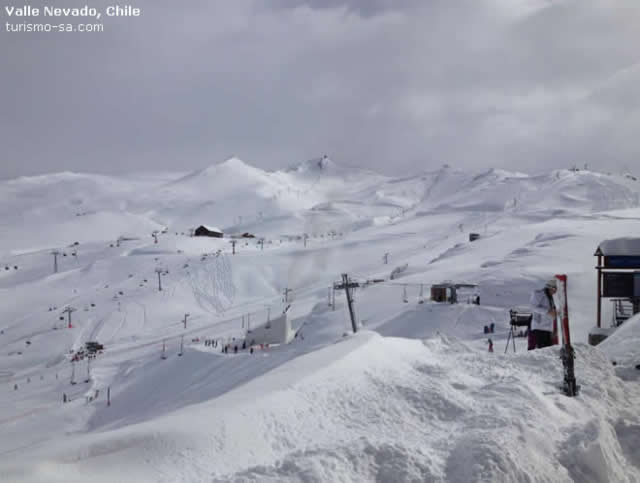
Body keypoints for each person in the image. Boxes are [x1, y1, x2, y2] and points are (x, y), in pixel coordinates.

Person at [529, 279, 557, 349]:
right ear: (550, 288)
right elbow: (533, 307)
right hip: (539, 328)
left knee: (548, 351)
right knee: (540, 350)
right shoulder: (539, 294)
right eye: (554, 289)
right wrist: (548, 311)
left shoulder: (551, 298)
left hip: (548, 329)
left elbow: (551, 312)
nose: (555, 292)